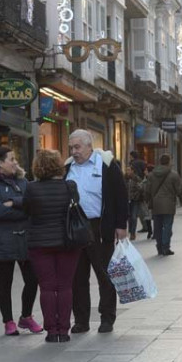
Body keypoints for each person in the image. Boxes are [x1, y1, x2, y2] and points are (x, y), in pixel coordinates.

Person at [65, 129, 128, 334]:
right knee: (77, 277)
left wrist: (120, 225)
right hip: (75, 228)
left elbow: (121, 195)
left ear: (89, 146)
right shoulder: (67, 168)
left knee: (105, 275)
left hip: (100, 227)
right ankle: (81, 320)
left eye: (78, 147)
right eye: (71, 147)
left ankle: (107, 318)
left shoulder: (107, 165)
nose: (74, 151)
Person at [0, 146, 44, 336]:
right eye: (11, 159)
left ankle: (26, 316)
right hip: (2, 240)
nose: (16, 162)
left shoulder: (24, 182)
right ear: (0, 163)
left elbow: (33, 206)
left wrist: (13, 202)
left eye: (15, 159)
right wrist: (21, 208)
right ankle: (8, 321)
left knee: (33, 280)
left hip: (26, 238)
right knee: (5, 282)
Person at [23, 149, 83, 342]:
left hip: (40, 244)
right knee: (65, 286)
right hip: (67, 242)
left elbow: (26, 210)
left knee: (47, 288)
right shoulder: (70, 186)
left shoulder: (31, 188)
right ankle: (64, 331)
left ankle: (51, 331)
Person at [146, 154, 182, 255]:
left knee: (157, 226)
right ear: (169, 162)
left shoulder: (151, 175)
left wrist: (148, 200)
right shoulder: (174, 175)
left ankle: (159, 246)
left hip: (156, 204)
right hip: (169, 204)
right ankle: (166, 247)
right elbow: (179, 190)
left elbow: (147, 190)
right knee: (167, 226)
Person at [125, 166, 144, 240]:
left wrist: (136, 195)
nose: (127, 171)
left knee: (134, 217)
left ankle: (133, 233)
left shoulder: (136, 178)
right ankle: (130, 231)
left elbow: (141, 188)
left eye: (129, 170)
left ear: (132, 171)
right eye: (127, 170)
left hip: (135, 200)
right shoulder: (124, 178)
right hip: (127, 200)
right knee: (129, 217)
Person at [138, 165, 155, 239]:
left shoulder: (154, 180)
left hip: (153, 200)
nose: (144, 172)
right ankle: (150, 231)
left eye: (146, 170)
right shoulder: (145, 180)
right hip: (146, 200)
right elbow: (141, 187)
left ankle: (155, 232)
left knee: (154, 217)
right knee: (147, 217)